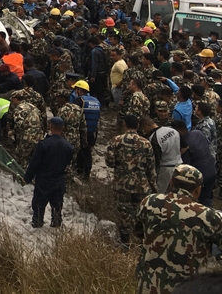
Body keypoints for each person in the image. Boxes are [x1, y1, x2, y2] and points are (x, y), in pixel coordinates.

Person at [135, 165, 222, 294]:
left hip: (148, 285)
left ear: (171, 182)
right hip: (189, 288)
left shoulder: (148, 203)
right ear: (198, 190)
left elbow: (138, 232)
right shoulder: (209, 217)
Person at [106, 114, 157, 244]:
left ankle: (125, 243)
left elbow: (110, 162)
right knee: (140, 213)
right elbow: (151, 168)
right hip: (142, 185)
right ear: (138, 126)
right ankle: (140, 243)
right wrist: (154, 186)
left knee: (124, 214)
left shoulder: (115, 140)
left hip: (122, 185)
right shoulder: (146, 143)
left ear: (124, 124)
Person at [24, 116, 75, 228]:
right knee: (57, 209)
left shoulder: (43, 144)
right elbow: (68, 163)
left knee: (38, 207)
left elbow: (34, 163)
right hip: (59, 181)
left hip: (43, 181)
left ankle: (37, 227)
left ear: (51, 127)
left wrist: (27, 178)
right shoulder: (69, 147)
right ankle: (56, 230)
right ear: (63, 128)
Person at [172, 119, 217, 206]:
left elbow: (186, 165)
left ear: (179, 132)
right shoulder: (198, 133)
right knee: (207, 197)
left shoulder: (185, 144)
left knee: (200, 201)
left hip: (200, 175)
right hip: (211, 170)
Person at [141, 115, 184, 193]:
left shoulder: (154, 137)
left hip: (165, 169)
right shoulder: (172, 130)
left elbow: (156, 159)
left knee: (160, 194)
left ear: (146, 126)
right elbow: (185, 146)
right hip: (180, 166)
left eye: (144, 129)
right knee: (177, 193)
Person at [74, 80, 101, 180]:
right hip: (93, 131)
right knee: (87, 151)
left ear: (80, 90)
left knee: (80, 152)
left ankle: (81, 171)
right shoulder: (96, 101)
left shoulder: (79, 101)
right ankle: (86, 173)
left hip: (82, 131)